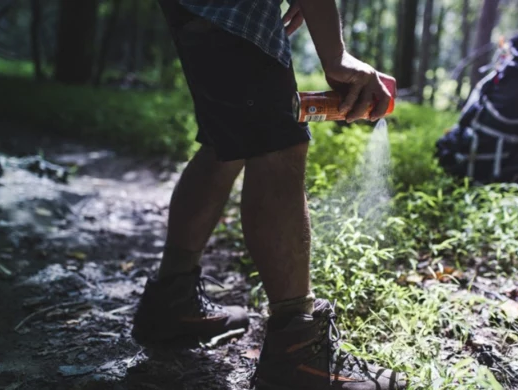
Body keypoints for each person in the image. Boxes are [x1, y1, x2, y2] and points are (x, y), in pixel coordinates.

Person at [131, 0, 406, 389]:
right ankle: (299, 356)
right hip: (237, 13)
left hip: (198, 9)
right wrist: (336, 55)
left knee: (225, 141)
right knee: (279, 147)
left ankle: (171, 301)